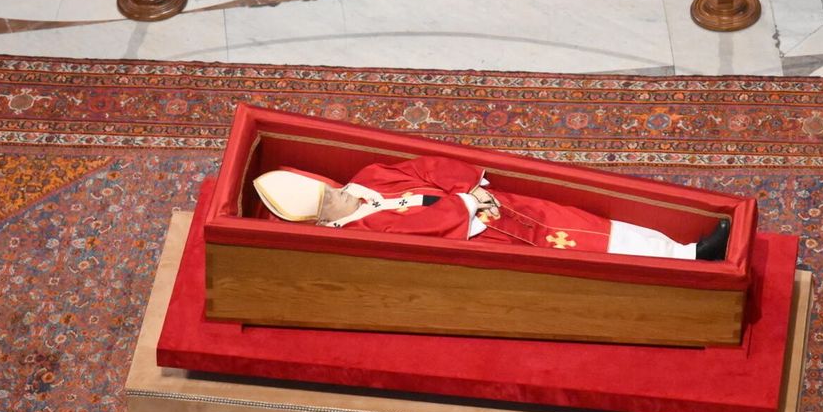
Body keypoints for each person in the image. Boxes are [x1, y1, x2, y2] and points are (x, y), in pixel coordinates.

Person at [254, 156, 730, 261]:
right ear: (324, 218)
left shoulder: (367, 180)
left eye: (332, 187)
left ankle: (683, 249)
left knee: (590, 224)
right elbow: (422, 234)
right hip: (489, 239)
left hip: (499, 207)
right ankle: (687, 266)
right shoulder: (359, 235)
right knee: (586, 252)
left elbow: (427, 168)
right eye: (334, 200)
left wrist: (471, 188)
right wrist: (469, 207)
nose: (345, 193)